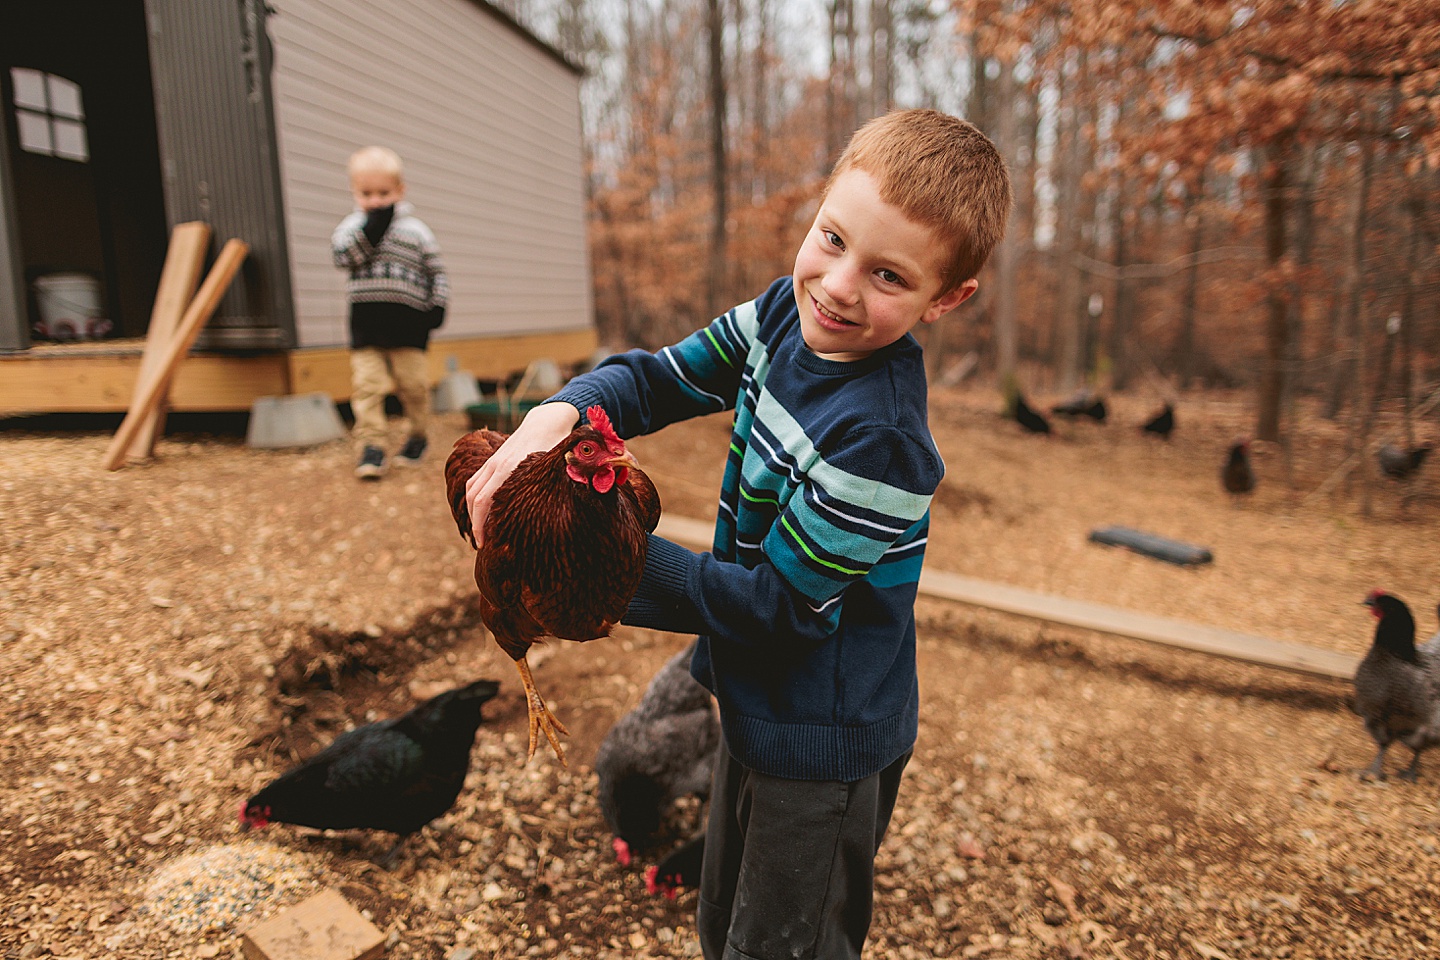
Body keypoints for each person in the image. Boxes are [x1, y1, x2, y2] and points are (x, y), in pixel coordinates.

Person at [465, 109, 1011, 958]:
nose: (838, 286)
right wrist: (556, 415)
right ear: (818, 211)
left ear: (947, 298)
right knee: (722, 918)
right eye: (831, 239)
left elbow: (783, 606)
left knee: (784, 941)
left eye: (888, 277)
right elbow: (655, 381)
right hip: (751, 689)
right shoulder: (780, 320)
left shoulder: (883, 441)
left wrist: (595, 565)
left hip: (823, 732)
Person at [332, 145, 449, 480]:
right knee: (367, 386)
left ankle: (417, 435)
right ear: (354, 192)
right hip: (366, 327)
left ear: (400, 191)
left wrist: (437, 304)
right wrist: (372, 227)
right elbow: (342, 257)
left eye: (384, 193)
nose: (376, 201)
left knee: (413, 385)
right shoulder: (352, 229)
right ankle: (372, 447)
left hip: (408, 326)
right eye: (366, 193)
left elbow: (436, 272)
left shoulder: (417, 232)